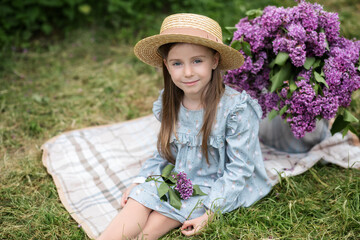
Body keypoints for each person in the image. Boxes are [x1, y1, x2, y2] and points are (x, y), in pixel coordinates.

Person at [98, 13, 272, 240]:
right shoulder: (169, 102)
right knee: (140, 197)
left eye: (197, 60)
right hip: (182, 177)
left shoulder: (236, 109)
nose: (188, 72)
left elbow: (240, 169)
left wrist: (211, 213)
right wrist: (140, 181)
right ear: (166, 66)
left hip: (220, 183)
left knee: (162, 216)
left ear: (215, 61)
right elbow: (164, 152)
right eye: (177, 63)